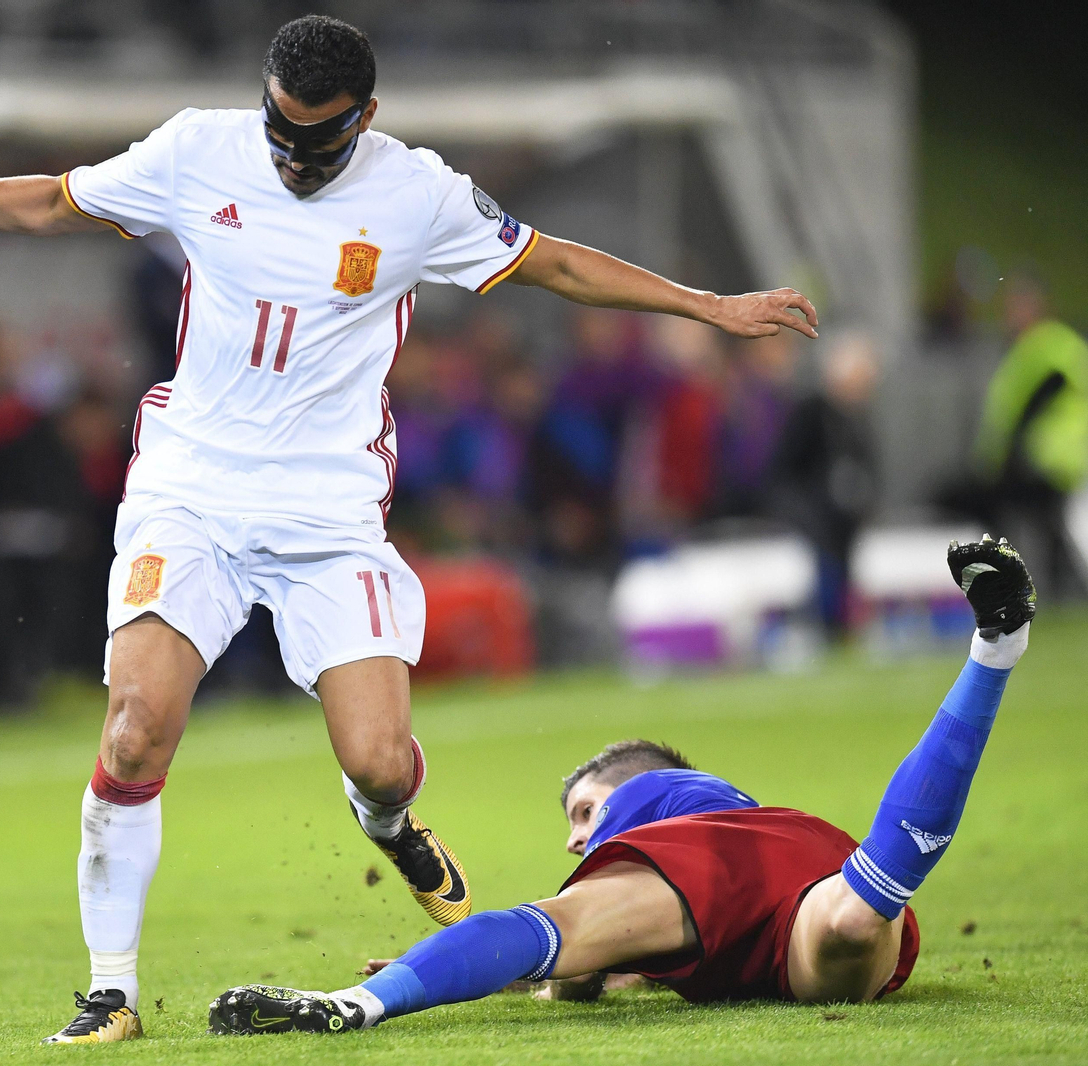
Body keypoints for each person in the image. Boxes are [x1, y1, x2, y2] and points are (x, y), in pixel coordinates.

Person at [0, 15, 820, 1044]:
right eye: (279, 135)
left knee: (382, 758)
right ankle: (109, 990)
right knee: (131, 731)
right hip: (192, 486)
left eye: (318, 144)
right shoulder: (196, 150)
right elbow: (54, 199)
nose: (293, 161)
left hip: (327, 506)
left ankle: (387, 822)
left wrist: (711, 307)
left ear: (366, 120)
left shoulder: (417, 194)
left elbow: (552, 264)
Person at [208, 534, 1035, 1035]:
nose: (576, 838)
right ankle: (993, 652)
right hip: (804, 885)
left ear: (638, 785)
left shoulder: (652, 801)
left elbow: (570, 967)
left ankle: (362, 1004)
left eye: (582, 811)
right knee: (856, 917)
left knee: (543, 927)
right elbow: (631, 960)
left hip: (721, 873)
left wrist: (497, 968)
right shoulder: (732, 826)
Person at [959, 272, 1088, 596]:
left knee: (1038, 521)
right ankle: (1060, 588)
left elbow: (1035, 402)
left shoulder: (1044, 344)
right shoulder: (1041, 344)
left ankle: (1029, 585)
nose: (1009, 317)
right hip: (1049, 455)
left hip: (1047, 454)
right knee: (1047, 525)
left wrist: (1007, 454)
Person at [769, 331, 880, 635]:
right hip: (809, 512)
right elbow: (786, 469)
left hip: (842, 517)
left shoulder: (856, 419)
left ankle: (841, 626)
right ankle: (822, 625)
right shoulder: (811, 412)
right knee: (823, 562)